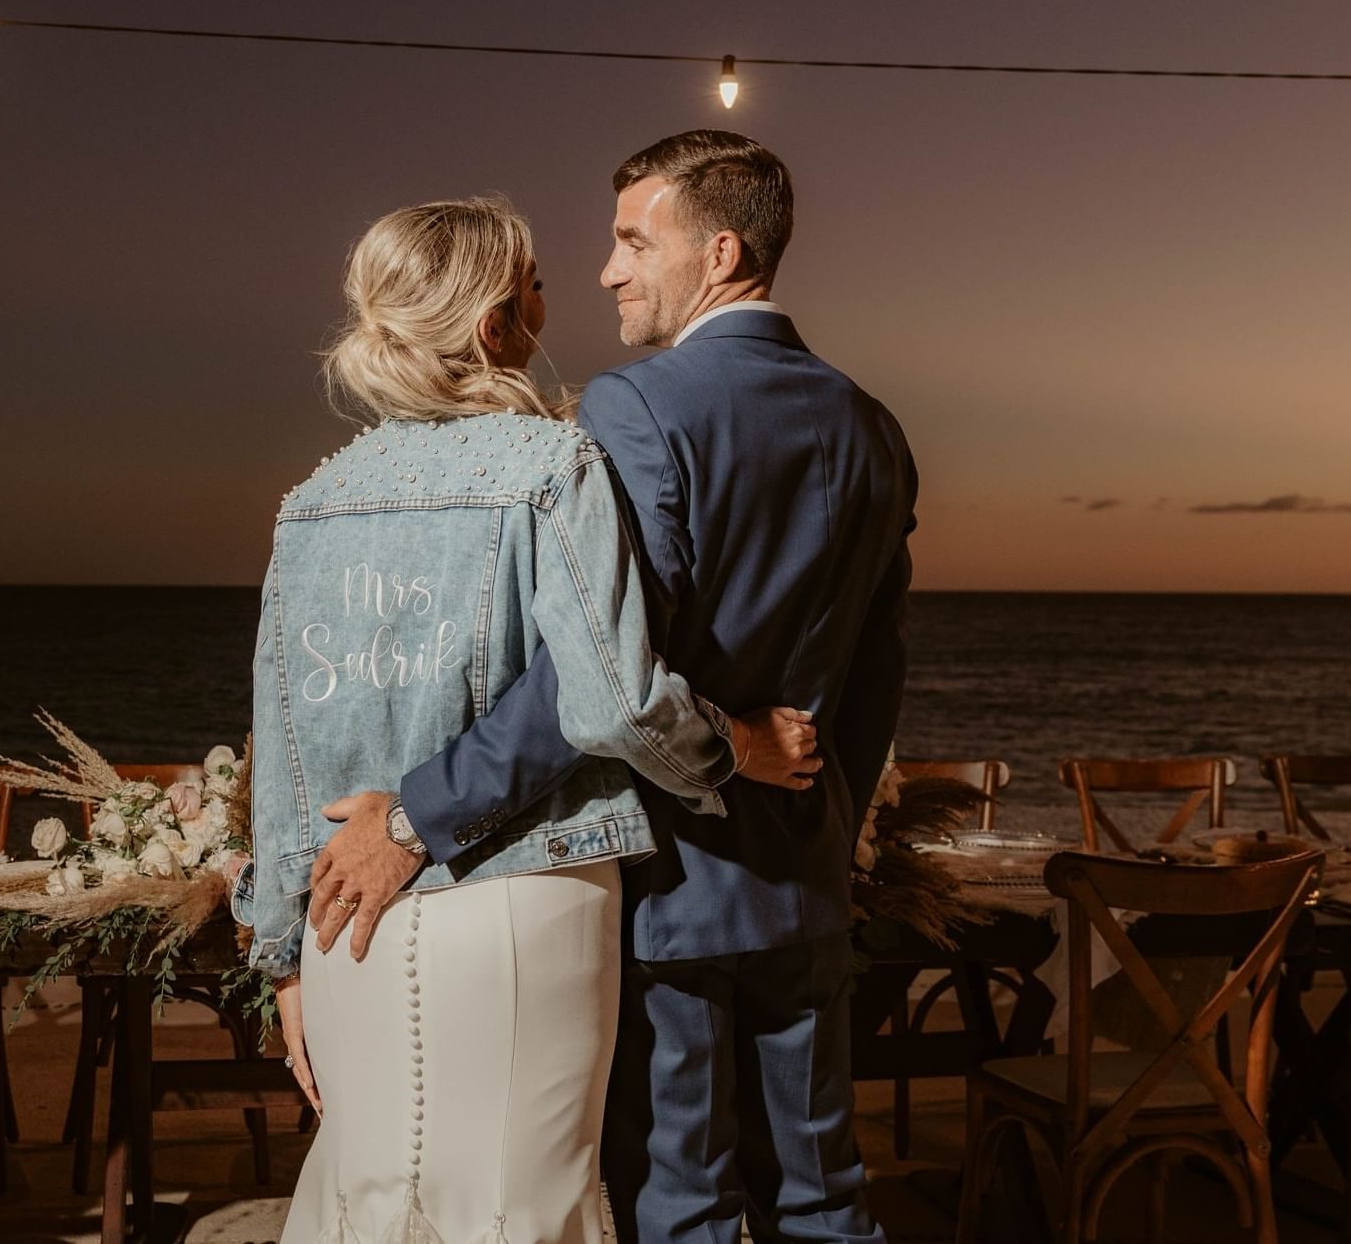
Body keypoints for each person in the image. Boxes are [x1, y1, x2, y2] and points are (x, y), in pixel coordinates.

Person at [316, 132, 917, 1243]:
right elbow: (873, 677)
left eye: (634, 241)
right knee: (824, 1201)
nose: (607, 272)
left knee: (675, 1202)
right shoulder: (872, 428)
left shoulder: (639, 411)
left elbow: (586, 681)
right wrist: (827, 830)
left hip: (668, 890)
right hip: (805, 881)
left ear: (720, 251)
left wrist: (416, 818)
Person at [232, 196, 820, 1243]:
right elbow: (613, 702)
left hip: (344, 920)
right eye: (537, 282)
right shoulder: (552, 468)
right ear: (496, 325)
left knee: (370, 1209)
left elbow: (280, 757)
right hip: (526, 900)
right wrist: (736, 746)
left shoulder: (310, 505)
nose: (566, 293)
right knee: (522, 1207)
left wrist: (281, 955)